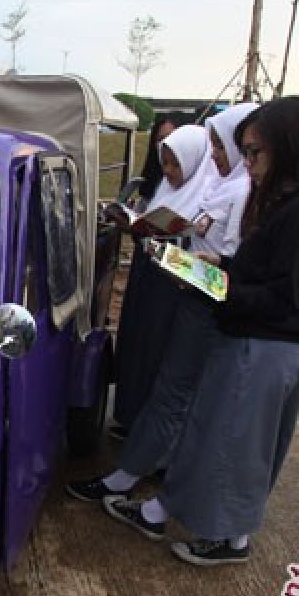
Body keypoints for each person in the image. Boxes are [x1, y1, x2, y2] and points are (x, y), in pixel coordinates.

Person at [103, 96, 299, 566]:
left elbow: (282, 297)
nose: (246, 164)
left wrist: (216, 283)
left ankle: (228, 536)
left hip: (265, 344)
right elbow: (267, 274)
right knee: (218, 435)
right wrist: (220, 265)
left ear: (288, 149)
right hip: (253, 340)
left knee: (235, 446)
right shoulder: (285, 205)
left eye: (255, 153)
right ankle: (204, 523)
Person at [67, 103, 259, 502]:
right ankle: (145, 473)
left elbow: (228, 265)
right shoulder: (224, 188)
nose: (217, 157)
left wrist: (177, 258)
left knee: (173, 393)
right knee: (171, 389)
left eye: (222, 148)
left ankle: (134, 480)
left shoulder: (240, 192)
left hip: (200, 301)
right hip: (190, 292)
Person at [109, 119, 211, 437]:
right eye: (163, 161)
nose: (167, 170)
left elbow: (203, 262)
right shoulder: (165, 190)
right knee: (140, 348)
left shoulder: (209, 195)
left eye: (174, 163)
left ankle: (154, 437)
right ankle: (132, 418)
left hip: (177, 291)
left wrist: (168, 241)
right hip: (151, 281)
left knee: (162, 359)